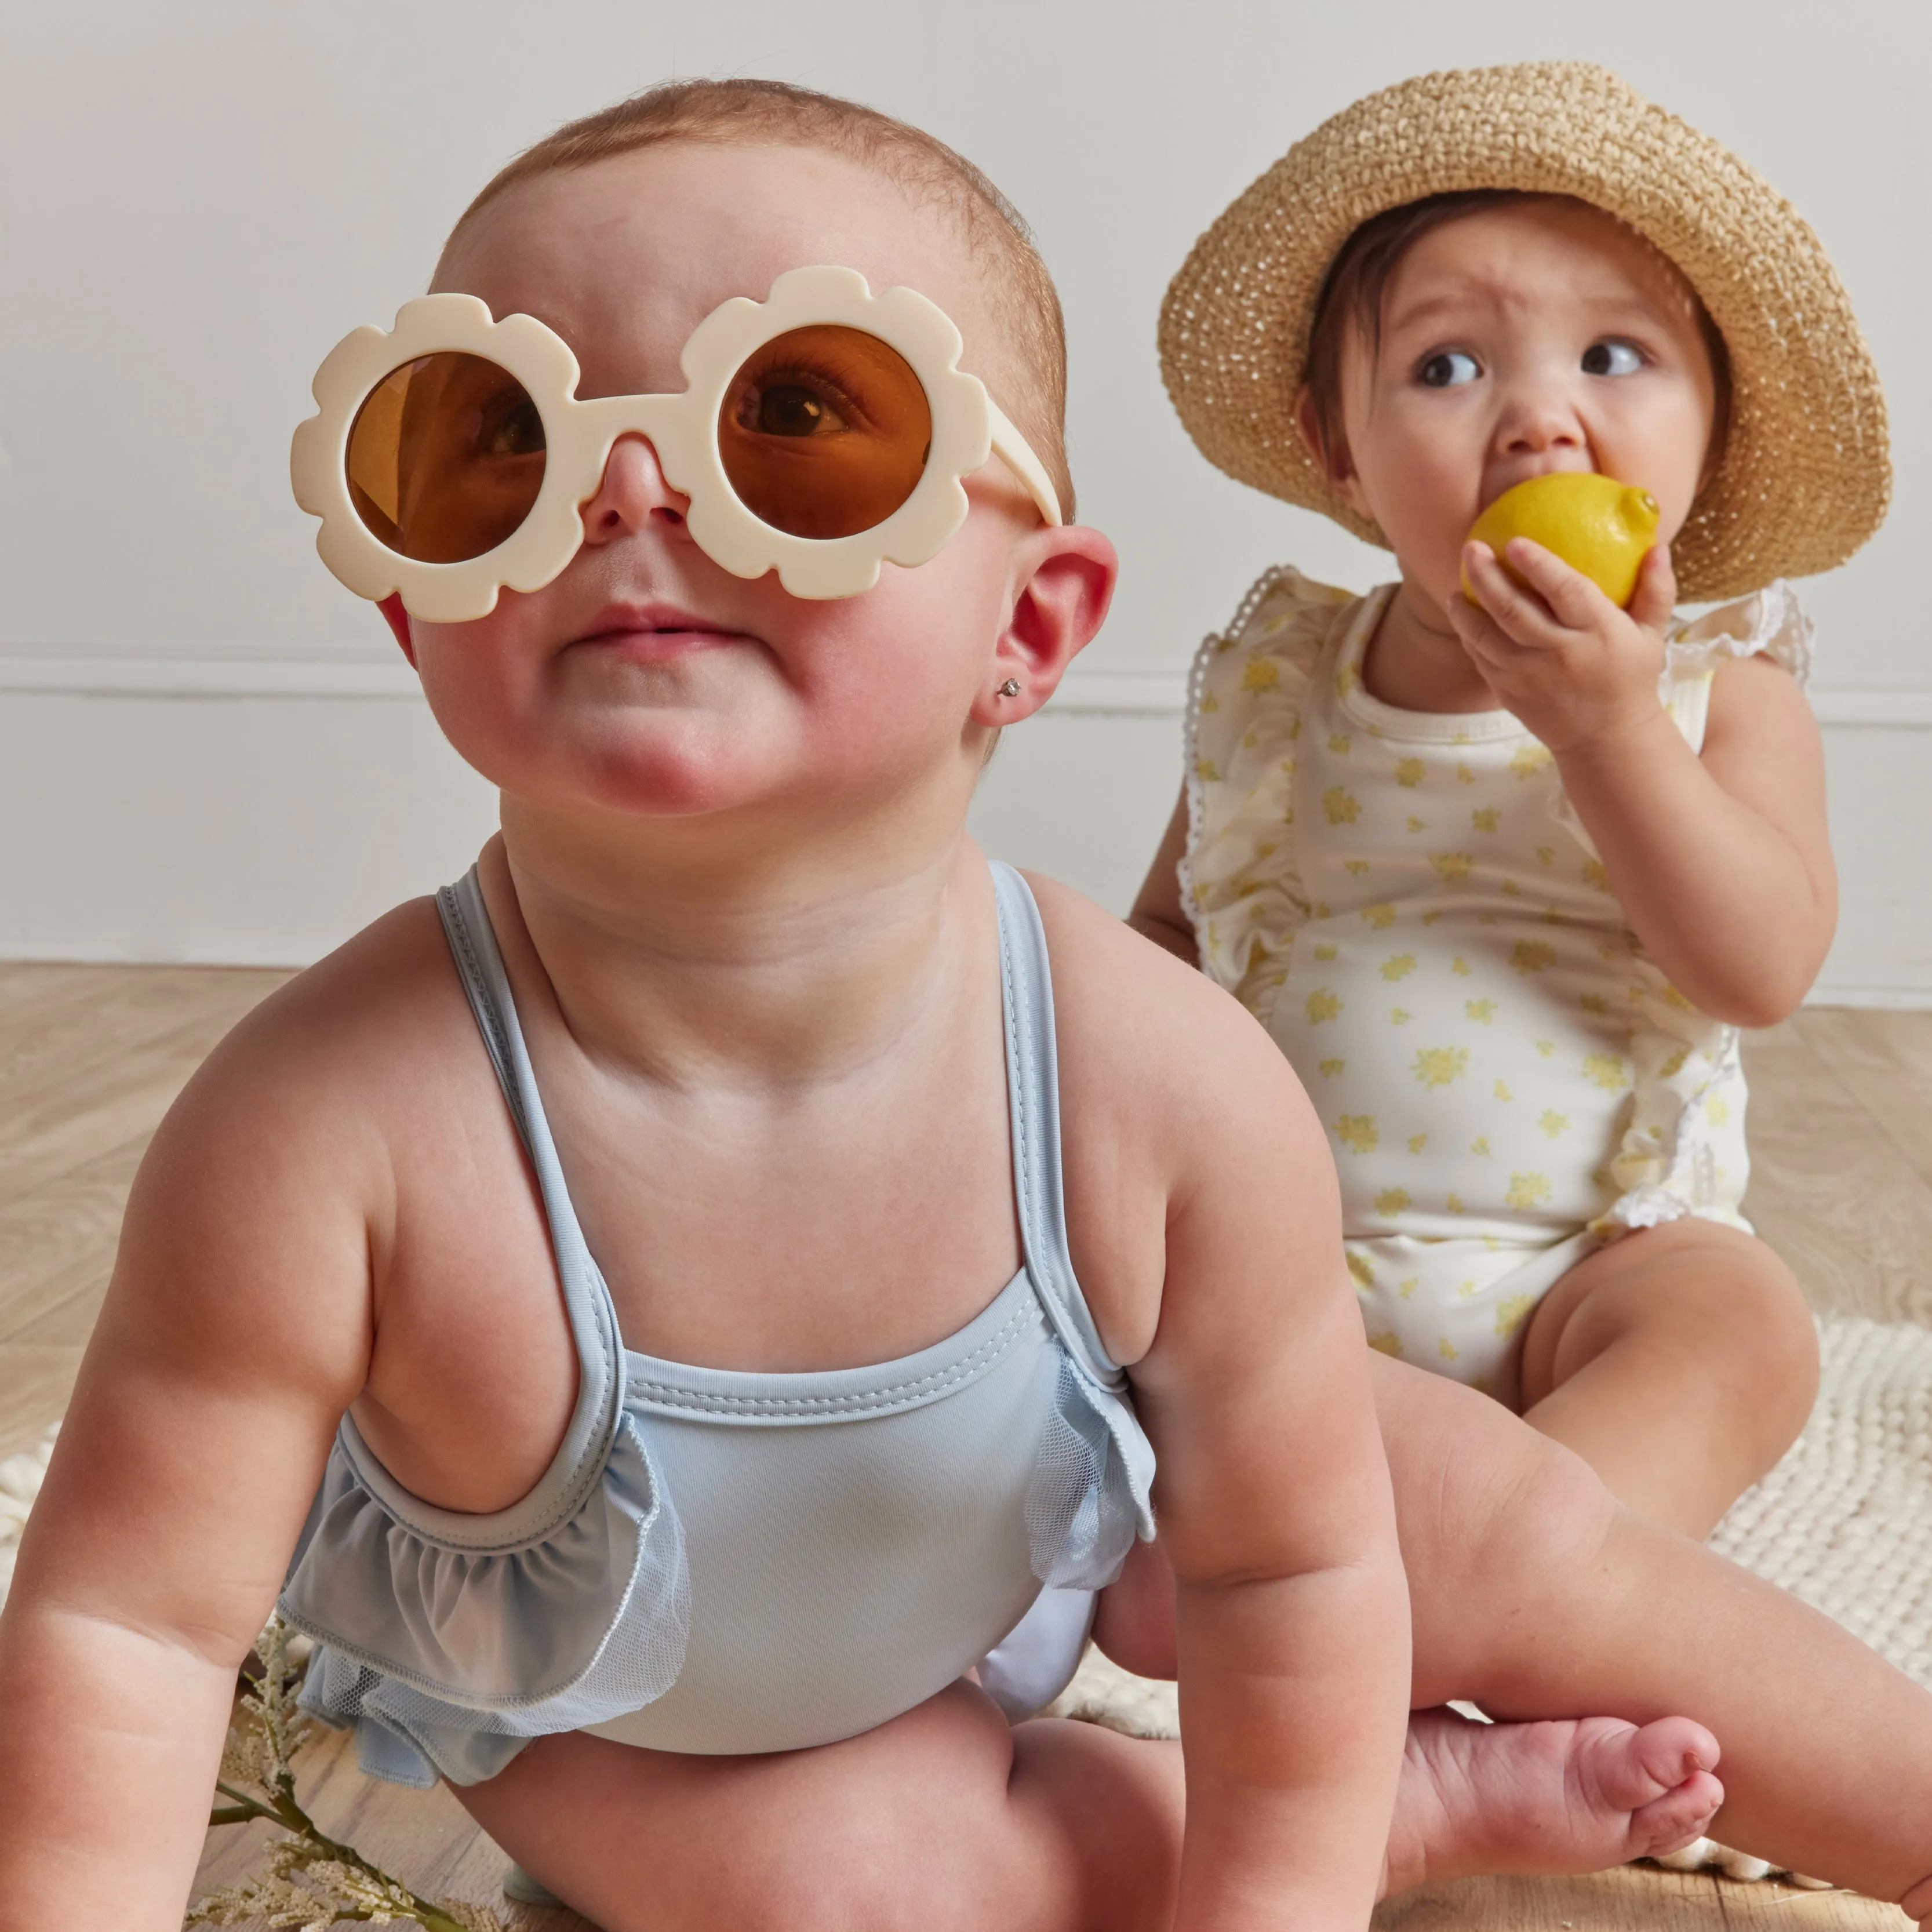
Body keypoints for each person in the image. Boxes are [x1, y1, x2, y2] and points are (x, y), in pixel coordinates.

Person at [0, 79, 1731, 1932]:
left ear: (1033, 630)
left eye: (801, 420)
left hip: (982, 1576)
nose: (622, 488)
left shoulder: (1166, 1085)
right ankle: (1374, 1811)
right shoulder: (318, 1125)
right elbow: (128, 1617)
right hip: (585, 1710)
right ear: (413, 610)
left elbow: (1286, 1579)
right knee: (835, 1894)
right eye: (495, 438)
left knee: (1479, 1511)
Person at [1134, 60, 1884, 1542]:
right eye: (1446, 367)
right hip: (1286, 1276)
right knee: (1047, 1332)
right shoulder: (1282, 688)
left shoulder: (1721, 699)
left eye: (1613, 357)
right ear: (1331, 446)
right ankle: (1278, 1542)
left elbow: (1760, 966)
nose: (1541, 420)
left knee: (1740, 1331)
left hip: (1593, 1263)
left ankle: (1546, 1556)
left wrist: (1607, 733)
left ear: (1709, 433)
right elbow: (1172, 941)